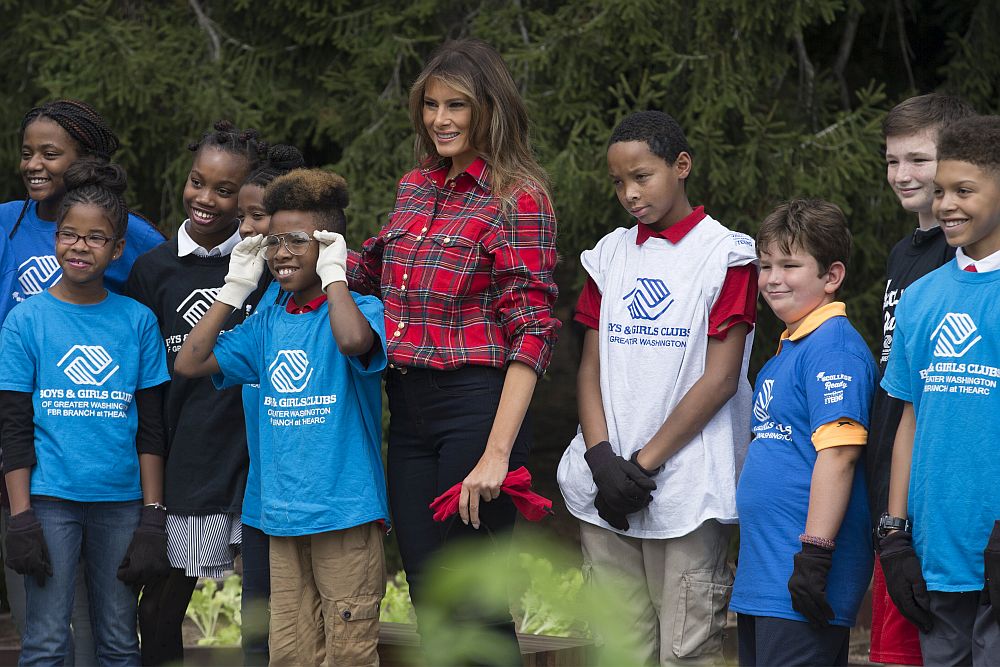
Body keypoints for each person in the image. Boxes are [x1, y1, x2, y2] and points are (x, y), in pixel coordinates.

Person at [347, 38, 559, 656]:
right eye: (430, 105)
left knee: (473, 597)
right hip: (408, 408)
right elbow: (371, 270)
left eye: (456, 106)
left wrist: (496, 456)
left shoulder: (518, 197)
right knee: (428, 590)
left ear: (489, 109)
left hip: (476, 409)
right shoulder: (414, 186)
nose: (439, 119)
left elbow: (534, 329)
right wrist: (299, 247)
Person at [556, 110, 758, 665]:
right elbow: (589, 366)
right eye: (618, 181)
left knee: (685, 652)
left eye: (642, 176)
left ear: (681, 166)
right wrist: (601, 459)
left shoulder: (727, 256)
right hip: (606, 490)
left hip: (685, 490)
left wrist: (642, 466)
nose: (629, 193)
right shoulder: (609, 255)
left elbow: (720, 379)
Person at [175, 168, 389, 666]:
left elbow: (354, 342)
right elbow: (189, 362)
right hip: (282, 518)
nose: (281, 252)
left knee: (348, 652)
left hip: (344, 513)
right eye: (274, 241)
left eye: (298, 239)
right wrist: (234, 288)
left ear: (329, 244)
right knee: (289, 653)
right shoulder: (268, 321)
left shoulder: (360, 309)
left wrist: (336, 275)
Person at [0, 100, 164, 663]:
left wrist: (151, 511)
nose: (35, 164)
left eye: (51, 152)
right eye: (28, 153)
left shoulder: (134, 309)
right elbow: (16, 415)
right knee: (44, 633)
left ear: (115, 247)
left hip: (118, 493)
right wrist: (20, 512)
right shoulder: (21, 292)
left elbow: (151, 420)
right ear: (56, 240)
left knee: (115, 635)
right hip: (43, 480)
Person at [126, 120, 262, 666]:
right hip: (186, 460)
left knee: (269, 605)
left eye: (225, 190)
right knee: (159, 606)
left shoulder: (263, 265)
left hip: (254, 461)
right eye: (197, 181)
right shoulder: (152, 270)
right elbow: (146, 384)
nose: (205, 199)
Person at [730, 199, 876, 666]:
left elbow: (840, 456)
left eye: (790, 265)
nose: (773, 278)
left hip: (802, 576)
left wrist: (814, 555)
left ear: (831, 276)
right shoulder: (787, 350)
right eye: (766, 264)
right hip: (765, 575)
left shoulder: (834, 349)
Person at [880, 114, 1000, 665]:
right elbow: (910, 419)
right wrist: (895, 531)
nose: (947, 203)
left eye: (965, 190)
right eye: (943, 189)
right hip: (935, 554)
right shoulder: (921, 297)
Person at [234, 142, 305, 666]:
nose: (248, 230)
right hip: (259, 493)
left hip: (311, 493)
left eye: (259, 217)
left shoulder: (316, 299)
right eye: (246, 217)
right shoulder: (246, 298)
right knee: (259, 626)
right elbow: (194, 360)